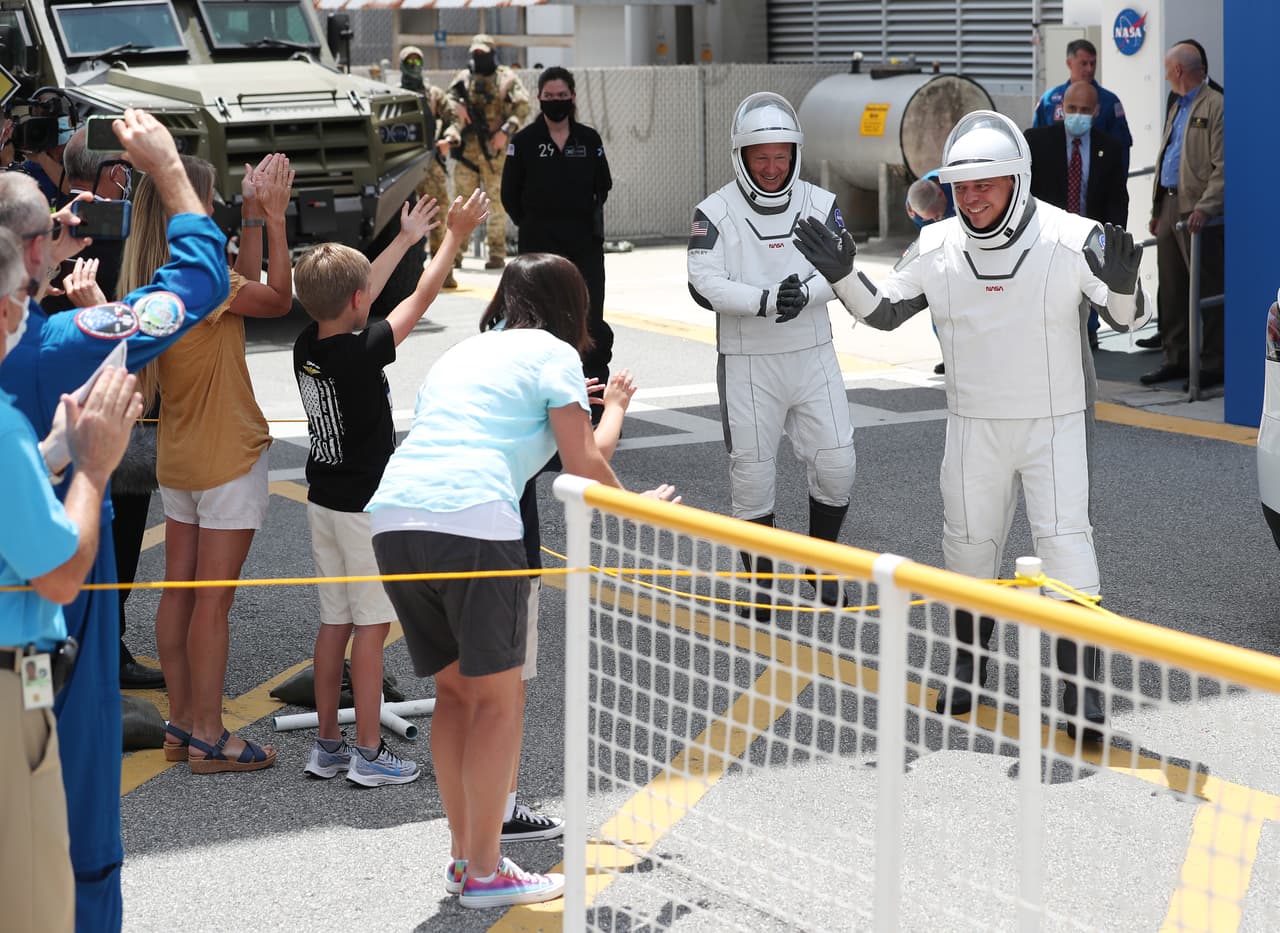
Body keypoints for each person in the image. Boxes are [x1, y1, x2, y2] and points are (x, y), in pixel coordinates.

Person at [791, 110, 1153, 743]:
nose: (972, 197)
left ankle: (1083, 694)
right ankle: (968, 662)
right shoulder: (936, 245)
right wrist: (843, 273)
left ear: (1017, 178)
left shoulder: (1072, 237)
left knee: (1068, 546)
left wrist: (1127, 287)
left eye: (985, 183)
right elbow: (884, 313)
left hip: (1054, 422)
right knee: (966, 545)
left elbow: (1126, 319)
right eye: (961, 186)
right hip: (972, 424)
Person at [368, 253, 677, 908]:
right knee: (498, 703)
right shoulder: (554, 353)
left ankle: (464, 861)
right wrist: (641, 504)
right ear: (574, 307)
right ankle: (485, 870)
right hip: (476, 522)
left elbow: (563, 446)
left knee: (454, 695)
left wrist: (601, 413)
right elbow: (583, 461)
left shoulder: (466, 353)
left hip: (395, 517)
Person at [0, 108, 231, 931]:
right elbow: (198, 285)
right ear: (32, 257)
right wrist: (169, 171)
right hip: (45, 642)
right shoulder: (58, 345)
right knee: (78, 847)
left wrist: (32, 255)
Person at [292, 188, 489, 786]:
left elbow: (356, 294)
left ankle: (328, 743)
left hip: (323, 501)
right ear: (359, 302)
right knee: (371, 630)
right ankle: (370, 753)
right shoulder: (363, 350)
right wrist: (450, 235)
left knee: (335, 625)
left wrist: (403, 238)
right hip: (362, 510)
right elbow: (419, 295)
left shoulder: (309, 343)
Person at [130, 152, 294, 774]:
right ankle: (209, 735)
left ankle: (180, 724)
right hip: (226, 453)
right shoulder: (205, 281)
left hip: (179, 454)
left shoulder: (161, 277)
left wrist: (252, 216)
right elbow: (277, 299)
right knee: (213, 602)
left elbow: (245, 294)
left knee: (180, 591)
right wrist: (276, 218)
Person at [0, 223, 142, 933]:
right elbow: (59, 575)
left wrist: (54, 451)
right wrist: (91, 464)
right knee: (39, 892)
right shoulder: (2, 426)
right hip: (12, 685)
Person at [687, 91, 856, 614]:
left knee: (836, 465)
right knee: (753, 473)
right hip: (747, 360)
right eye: (760, 156)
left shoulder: (821, 204)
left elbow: (845, 266)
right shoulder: (713, 210)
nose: (772, 166)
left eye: (781, 155)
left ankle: (819, 561)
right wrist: (763, 301)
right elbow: (703, 279)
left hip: (812, 353)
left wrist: (807, 292)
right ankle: (760, 582)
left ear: (794, 154)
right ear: (741, 156)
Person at [40, 126, 166, 690]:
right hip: (118, 408)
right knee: (117, 536)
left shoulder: (49, 235)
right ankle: (104, 646)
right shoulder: (127, 236)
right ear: (115, 173)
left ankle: (90, 641)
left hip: (55, 415)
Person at [501, 65, 614, 388]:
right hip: (539, 247)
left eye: (562, 95)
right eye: (549, 96)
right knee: (539, 321)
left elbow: (602, 186)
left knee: (589, 321)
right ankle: (543, 398)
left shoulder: (589, 139)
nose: (556, 101)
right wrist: (535, 225)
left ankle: (593, 401)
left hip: (584, 246)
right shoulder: (523, 142)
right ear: (539, 98)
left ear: (573, 97)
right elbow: (509, 195)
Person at [1139, 43, 1225, 391]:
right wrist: (1157, 209)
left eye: (1166, 67)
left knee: (1207, 286)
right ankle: (1177, 358)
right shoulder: (1177, 105)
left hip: (1196, 209)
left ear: (1178, 71)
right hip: (1171, 206)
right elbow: (1167, 159)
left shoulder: (1216, 105)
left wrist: (1206, 207)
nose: (1164, 73)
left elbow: (1223, 165)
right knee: (1173, 289)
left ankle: (1214, 362)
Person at [1025, 81, 1129, 350]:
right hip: (1047, 232)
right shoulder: (1037, 141)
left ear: (1096, 112)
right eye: (1072, 108)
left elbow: (1117, 198)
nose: (1077, 114)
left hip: (1089, 233)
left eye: (1084, 109)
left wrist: (1114, 240)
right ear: (1061, 109)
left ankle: (1087, 334)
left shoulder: (1111, 148)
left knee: (1087, 287)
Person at [443, 34, 530, 270]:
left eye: (483, 54)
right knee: (461, 204)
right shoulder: (463, 78)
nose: (478, 58)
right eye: (475, 54)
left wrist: (505, 131)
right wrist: (457, 107)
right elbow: (446, 103)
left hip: (495, 151)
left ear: (492, 53)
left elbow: (522, 107)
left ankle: (496, 254)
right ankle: (455, 254)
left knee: (497, 205)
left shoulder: (506, 79)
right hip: (467, 154)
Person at [400, 45, 461, 290]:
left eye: (418, 61)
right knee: (402, 219)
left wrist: (449, 138)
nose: (414, 67)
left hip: (431, 162)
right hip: (402, 164)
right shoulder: (393, 93)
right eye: (409, 62)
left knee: (440, 216)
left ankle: (443, 272)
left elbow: (453, 118)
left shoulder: (434, 94)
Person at [1032, 39, 1132, 170]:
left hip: (1096, 178)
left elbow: (1121, 149)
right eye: (1084, 63)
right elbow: (1036, 144)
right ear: (1069, 63)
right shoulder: (1050, 100)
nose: (1089, 69)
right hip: (1054, 178)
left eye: (1093, 63)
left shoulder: (1109, 102)